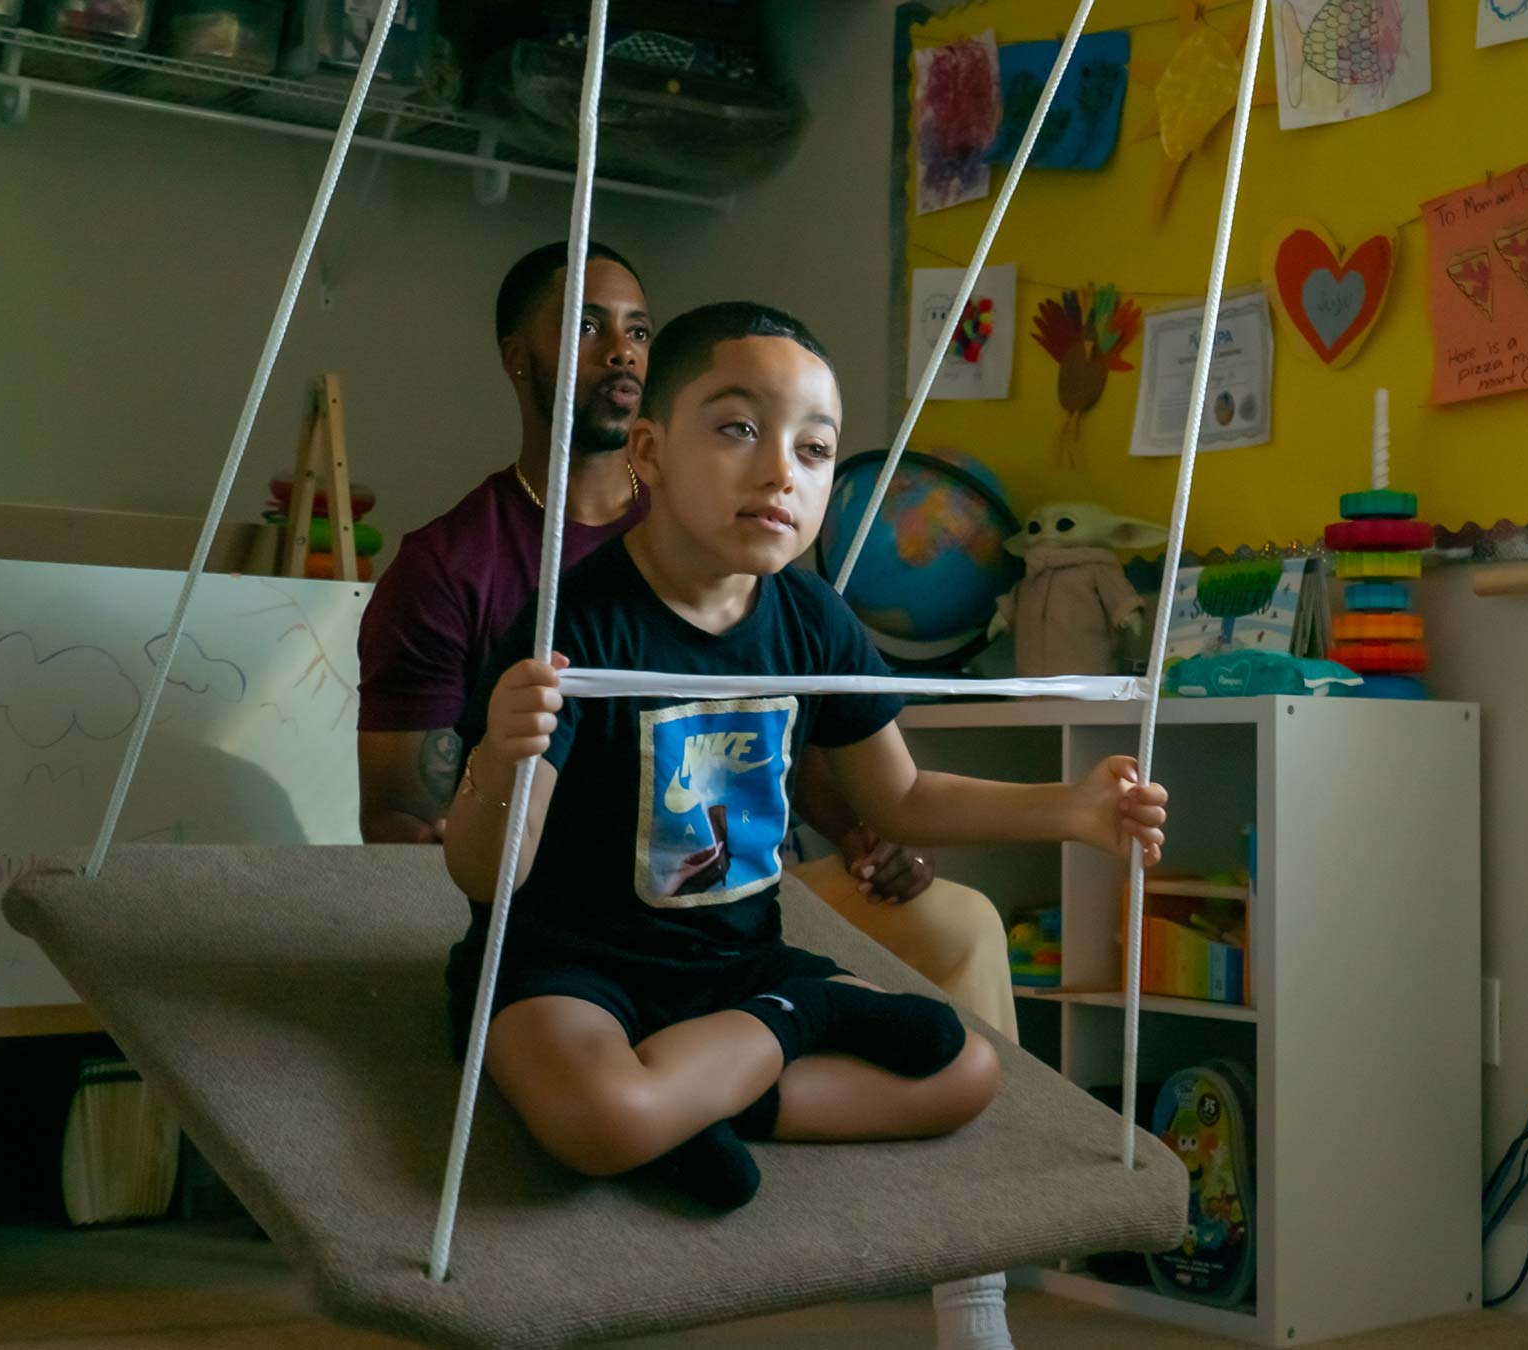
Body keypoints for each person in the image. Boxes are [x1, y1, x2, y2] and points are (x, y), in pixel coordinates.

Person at [352, 245, 1021, 1345]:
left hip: (732, 906)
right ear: (520, 359)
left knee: (960, 932)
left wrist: (864, 829)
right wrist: (497, 782)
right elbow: (408, 817)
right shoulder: (469, 569)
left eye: (637, 326)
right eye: (584, 325)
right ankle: (702, 1092)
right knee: (593, 1089)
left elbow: (816, 749)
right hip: (572, 908)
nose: (619, 348)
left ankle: (969, 1263)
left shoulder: (782, 577)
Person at [441, 297, 1166, 1228]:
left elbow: (900, 797)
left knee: (967, 1073)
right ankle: (765, 1047)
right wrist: (503, 757)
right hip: (572, 971)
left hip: (735, 969)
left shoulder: (812, 618)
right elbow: (481, 875)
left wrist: (1069, 810)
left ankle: (709, 1090)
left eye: (814, 451)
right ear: (650, 454)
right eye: (740, 429)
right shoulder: (574, 624)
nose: (781, 470)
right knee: (600, 1118)